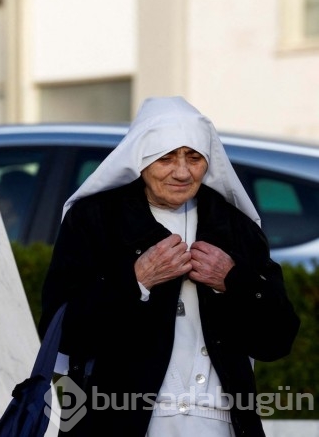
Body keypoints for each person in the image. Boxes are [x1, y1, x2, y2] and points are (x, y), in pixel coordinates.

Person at [38, 96, 300, 436]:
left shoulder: (234, 226)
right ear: (141, 158)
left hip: (218, 422)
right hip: (121, 418)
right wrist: (136, 280)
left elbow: (277, 339)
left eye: (194, 157)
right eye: (166, 158)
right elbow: (64, 333)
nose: (182, 172)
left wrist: (232, 280)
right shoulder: (96, 220)